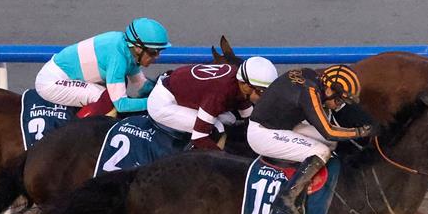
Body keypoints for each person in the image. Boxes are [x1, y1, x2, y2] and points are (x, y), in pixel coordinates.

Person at [246, 64, 375, 214]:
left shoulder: (313, 79)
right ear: (330, 89)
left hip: (283, 124)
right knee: (322, 150)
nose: (338, 104)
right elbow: (329, 131)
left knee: (331, 145)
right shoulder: (310, 93)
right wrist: (361, 132)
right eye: (339, 99)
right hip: (262, 134)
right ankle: (288, 197)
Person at [34, 18, 169, 118]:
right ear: (138, 49)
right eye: (153, 52)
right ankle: (74, 137)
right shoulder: (118, 58)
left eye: (159, 52)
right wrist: (155, 103)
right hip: (51, 82)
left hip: (64, 75)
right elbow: (121, 105)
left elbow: (141, 85)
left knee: (115, 88)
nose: (157, 56)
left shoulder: (127, 49)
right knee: (103, 98)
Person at [147, 56, 278, 149]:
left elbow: (251, 119)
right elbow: (199, 137)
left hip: (180, 89)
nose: (264, 98)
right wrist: (225, 162)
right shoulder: (219, 92)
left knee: (230, 120)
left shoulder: (238, 82)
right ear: (246, 86)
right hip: (164, 102)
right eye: (262, 92)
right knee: (216, 128)